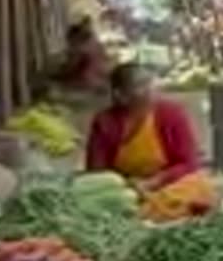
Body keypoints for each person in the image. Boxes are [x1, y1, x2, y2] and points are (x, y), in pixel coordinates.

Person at [86, 62, 201, 192]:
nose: (150, 89)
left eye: (150, 82)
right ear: (121, 96)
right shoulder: (105, 122)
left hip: (168, 185)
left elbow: (189, 163)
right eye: (141, 85)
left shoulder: (172, 114)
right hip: (124, 190)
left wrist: (154, 182)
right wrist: (124, 185)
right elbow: (96, 170)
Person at [57, 17, 111, 92]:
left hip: (86, 84)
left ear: (75, 37)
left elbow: (70, 68)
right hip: (99, 82)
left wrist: (59, 75)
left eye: (70, 41)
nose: (69, 44)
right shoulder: (94, 43)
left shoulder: (80, 49)